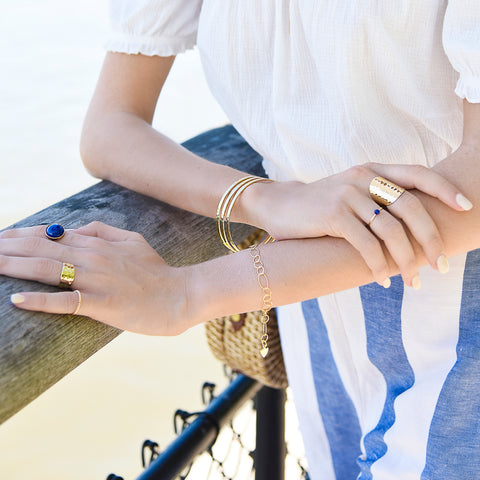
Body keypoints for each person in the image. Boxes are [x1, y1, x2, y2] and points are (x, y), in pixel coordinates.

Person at [2, 1, 480, 478]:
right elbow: (109, 127)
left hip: (457, 309)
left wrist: (189, 291)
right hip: (315, 315)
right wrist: (264, 199)